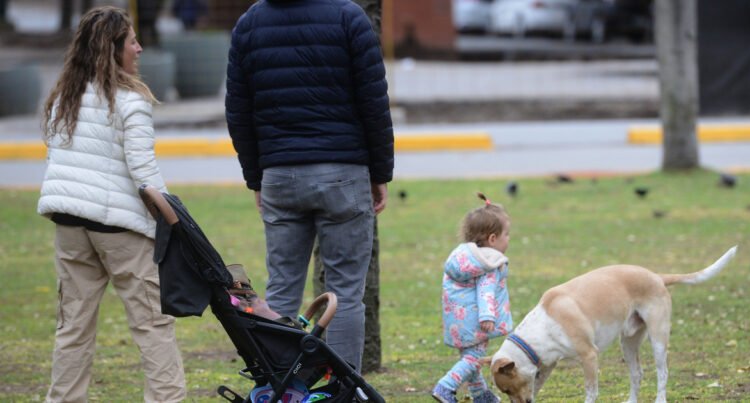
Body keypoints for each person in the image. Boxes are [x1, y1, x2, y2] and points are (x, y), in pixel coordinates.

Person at [225, 0, 394, 372]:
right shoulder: (350, 17)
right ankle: (344, 390)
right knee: (347, 292)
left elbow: (239, 110)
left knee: (281, 292)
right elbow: (373, 103)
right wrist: (380, 172)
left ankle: (281, 385)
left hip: (280, 175)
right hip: (344, 172)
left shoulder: (250, 23)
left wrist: (256, 176)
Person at [37, 6, 186, 402]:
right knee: (152, 324)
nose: (139, 48)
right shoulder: (129, 102)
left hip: (70, 226)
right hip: (121, 231)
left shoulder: (62, 98)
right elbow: (145, 175)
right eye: (132, 41)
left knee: (73, 327)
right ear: (112, 49)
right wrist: (177, 223)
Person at [432, 193, 514, 403]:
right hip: (476, 320)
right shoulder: (489, 262)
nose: (509, 239)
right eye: (507, 234)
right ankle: (446, 386)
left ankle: (480, 395)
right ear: (493, 239)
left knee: (470, 356)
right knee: (474, 358)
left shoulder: (465, 258)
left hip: (458, 321)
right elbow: (485, 291)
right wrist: (487, 316)